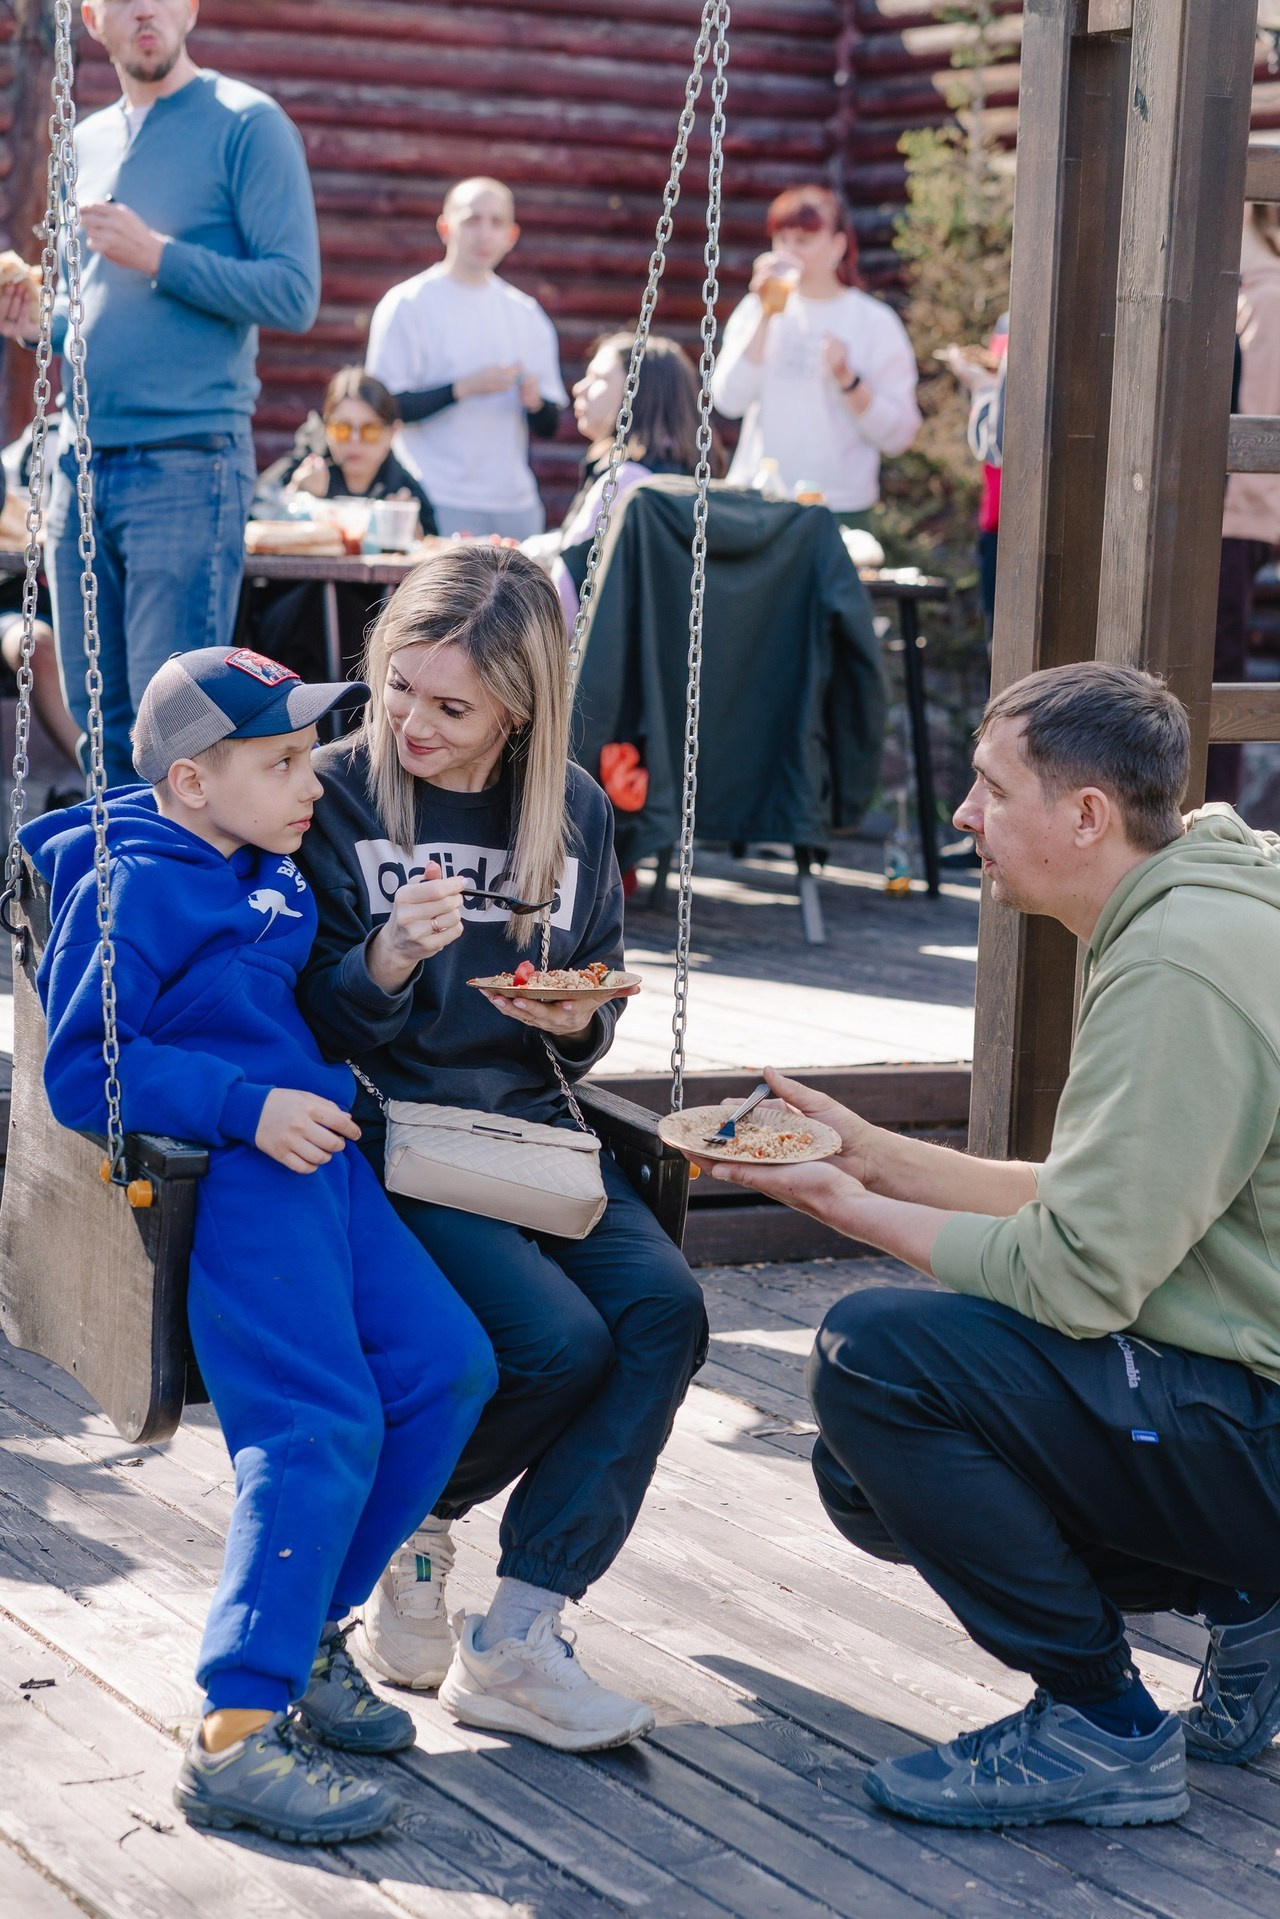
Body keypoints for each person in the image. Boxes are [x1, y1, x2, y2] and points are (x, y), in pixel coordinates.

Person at [687, 662, 1280, 1829]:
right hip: (1244, 1384)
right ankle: (1245, 1588)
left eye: (987, 787)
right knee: (861, 1470)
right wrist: (868, 1155)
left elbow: (1075, 1274)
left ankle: (1100, 1722)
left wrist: (836, 1209)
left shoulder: (1174, 966)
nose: (960, 815)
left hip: (1257, 1415)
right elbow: (1092, 1201)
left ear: (1086, 815)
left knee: (876, 1356)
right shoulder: (1199, 907)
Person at [22, 646, 496, 1845]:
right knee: (314, 1424)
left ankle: (310, 1631)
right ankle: (236, 1725)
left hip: (323, 1162)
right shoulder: (130, 888)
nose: (312, 784)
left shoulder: (267, 867)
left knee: (448, 1368)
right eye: (282, 761)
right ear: (189, 781)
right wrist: (245, 1106)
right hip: (235, 1178)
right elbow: (87, 1073)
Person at [295, 544, 708, 1752]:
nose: (413, 722)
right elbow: (295, 1014)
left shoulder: (569, 806)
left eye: (450, 705)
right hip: (386, 1132)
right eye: (398, 688)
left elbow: (591, 1006)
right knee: (550, 1341)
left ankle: (517, 1632)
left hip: (523, 1130)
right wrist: (380, 962)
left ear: (516, 708)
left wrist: (578, 1019)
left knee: (664, 1312)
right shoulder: (333, 790)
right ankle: (408, 1530)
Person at [0, 0, 321, 788]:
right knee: (95, 719)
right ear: (93, 18)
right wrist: (37, 320)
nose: (145, 9)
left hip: (187, 464)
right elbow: (88, 302)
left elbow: (295, 293)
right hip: (79, 468)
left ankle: (166, 907)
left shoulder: (249, 122)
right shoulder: (86, 138)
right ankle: (115, 908)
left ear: (189, 9)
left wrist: (158, 254)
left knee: (168, 728)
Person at [365, 177, 567, 539]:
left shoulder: (526, 313)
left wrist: (535, 402)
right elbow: (385, 407)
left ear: (512, 234)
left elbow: (550, 424)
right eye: (472, 220)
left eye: (497, 222)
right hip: (435, 495)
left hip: (514, 505)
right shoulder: (408, 304)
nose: (484, 234)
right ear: (446, 227)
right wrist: (462, 388)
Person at [710, 184, 920, 527]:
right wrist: (765, 316)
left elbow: (899, 436)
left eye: (803, 241)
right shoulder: (754, 311)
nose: (789, 252)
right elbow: (728, 401)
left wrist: (847, 379)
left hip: (840, 508)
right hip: (760, 498)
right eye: (782, 240)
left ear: (837, 246)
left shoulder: (873, 322)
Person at [246, 368, 436, 684]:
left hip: (375, 626)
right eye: (343, 429)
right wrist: (296, 497)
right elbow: (252, 523)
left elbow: (433, 553)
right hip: (291, 621)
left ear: (392, 432)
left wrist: (411, 533)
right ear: (327, 428)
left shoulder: (404, 493)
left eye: (370, 431)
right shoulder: (304, 468)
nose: (356, 442)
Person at [549, 331, 725, 623]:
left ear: (638, 393)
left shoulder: (625, 480)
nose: (579, 388)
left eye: (599, 378)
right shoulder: (690, 476)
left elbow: (566, 585)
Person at [1210, 201, 1280, 804]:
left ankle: (1213, 824)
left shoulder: (1268, 298)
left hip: (1235, 516)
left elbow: (1258, 428)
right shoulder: (1243, 297)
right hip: (1228, 513)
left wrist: (1229, 519)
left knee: (1217, 674)